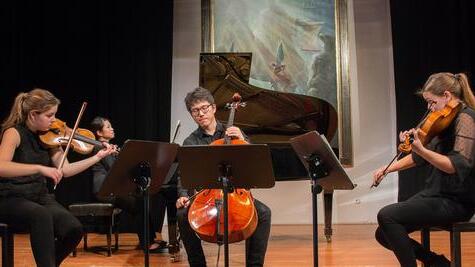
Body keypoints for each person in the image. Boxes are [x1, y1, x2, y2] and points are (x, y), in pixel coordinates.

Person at [0, 88, 117, 267]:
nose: (54, 120)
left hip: (38, 197)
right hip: (10, 197)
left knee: (73, 229)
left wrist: (97, 157)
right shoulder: (14, 133)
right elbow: (2, 166)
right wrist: (39, 168)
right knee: (41, 215)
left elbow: (67, 169)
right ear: (33, 114)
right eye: (49, 115)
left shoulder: (50, 137)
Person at [373, 72, 475, 267]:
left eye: (431, 102)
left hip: (458, 200)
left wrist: (422, 149)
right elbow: (418, 157)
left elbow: (455, 165)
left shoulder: (466, 119)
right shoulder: (443, 120)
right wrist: (387, 169)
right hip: (436, 194)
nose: (429, 108)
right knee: (383, 232)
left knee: (387, 215)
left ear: (446, 95)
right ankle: (436, 263)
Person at [175, 87, 272, 267]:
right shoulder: (191, 141)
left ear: (213, 108)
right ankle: (197, 264)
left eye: (204, 108)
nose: (201, 113)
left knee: (264, 213)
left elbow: (253, 159)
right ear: (191, 114)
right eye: (195, 111)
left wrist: (243, 138)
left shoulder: (233, 132)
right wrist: (182, 194)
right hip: (207, 196)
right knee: (182, 214)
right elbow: (184, 173)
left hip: (235, 193)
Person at [89, 116, 167, 252]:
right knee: (139, 204)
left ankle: (150, 239)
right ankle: (146, 243)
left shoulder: (109, 148)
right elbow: (114, 169)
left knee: (142, 199)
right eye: (108, 127)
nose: (112, 128)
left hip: (112, 188)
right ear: (99, 133)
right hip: (104, 190)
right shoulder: (99, 147)